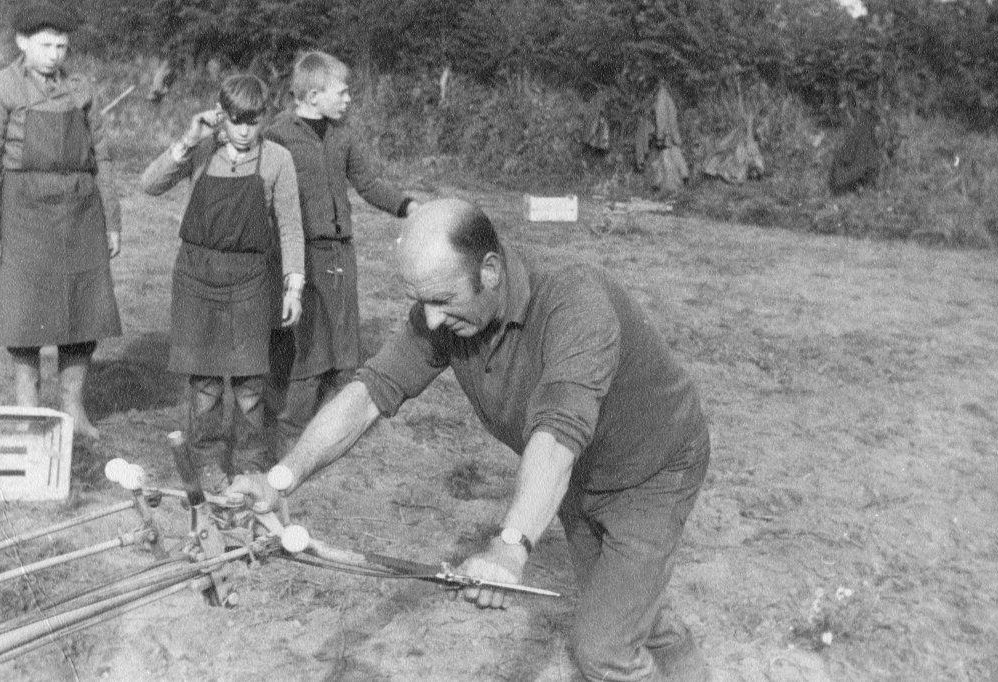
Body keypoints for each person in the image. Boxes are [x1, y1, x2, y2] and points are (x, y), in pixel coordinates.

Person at [230, 198, 712, 681]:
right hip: (576, 473)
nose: (432, 321)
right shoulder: (446, 312)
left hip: (652, 472)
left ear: (491, 270)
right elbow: (370, 393)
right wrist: (281, 479)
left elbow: (558, 434)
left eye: (442, 300)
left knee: (601, 649)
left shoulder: (574, 302)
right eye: (422, 302)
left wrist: (510, 547)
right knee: (628, 609)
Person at [140, 74, 305, 486]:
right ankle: (208, 460)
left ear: (264, 117)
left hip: (250, 281)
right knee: (206, 384)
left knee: (250, 384)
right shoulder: (201, 153)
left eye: (253, 120)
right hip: (197, 279)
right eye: (236, 120)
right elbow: (149, 184)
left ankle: (250, 463)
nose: (245, 130)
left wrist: (294, 286)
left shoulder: (277, 159)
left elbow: (290, 227)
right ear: (220, 116)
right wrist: (187, 139)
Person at [0, 1, 123, 440]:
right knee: (24, 314)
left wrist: (111, 220)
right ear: (23, 43)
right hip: (22, 211)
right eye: (46, 45)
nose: (55, 54)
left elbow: (104, 158)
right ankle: (28, 409)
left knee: (81, 314)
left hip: (80, 212)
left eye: (62, 45)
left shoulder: (81, 89)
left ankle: (73, 409)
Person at [263, 50, 419, 453]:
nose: (349, 100)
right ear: (313, 95)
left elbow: (368, 183)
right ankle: (291, 430)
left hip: (340, 252)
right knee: (308, 341)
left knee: (345, 339)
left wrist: (408, 206)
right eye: (343, 92)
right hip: (299, 254)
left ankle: (337, 428)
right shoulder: (278, 134)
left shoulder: (343, 134)